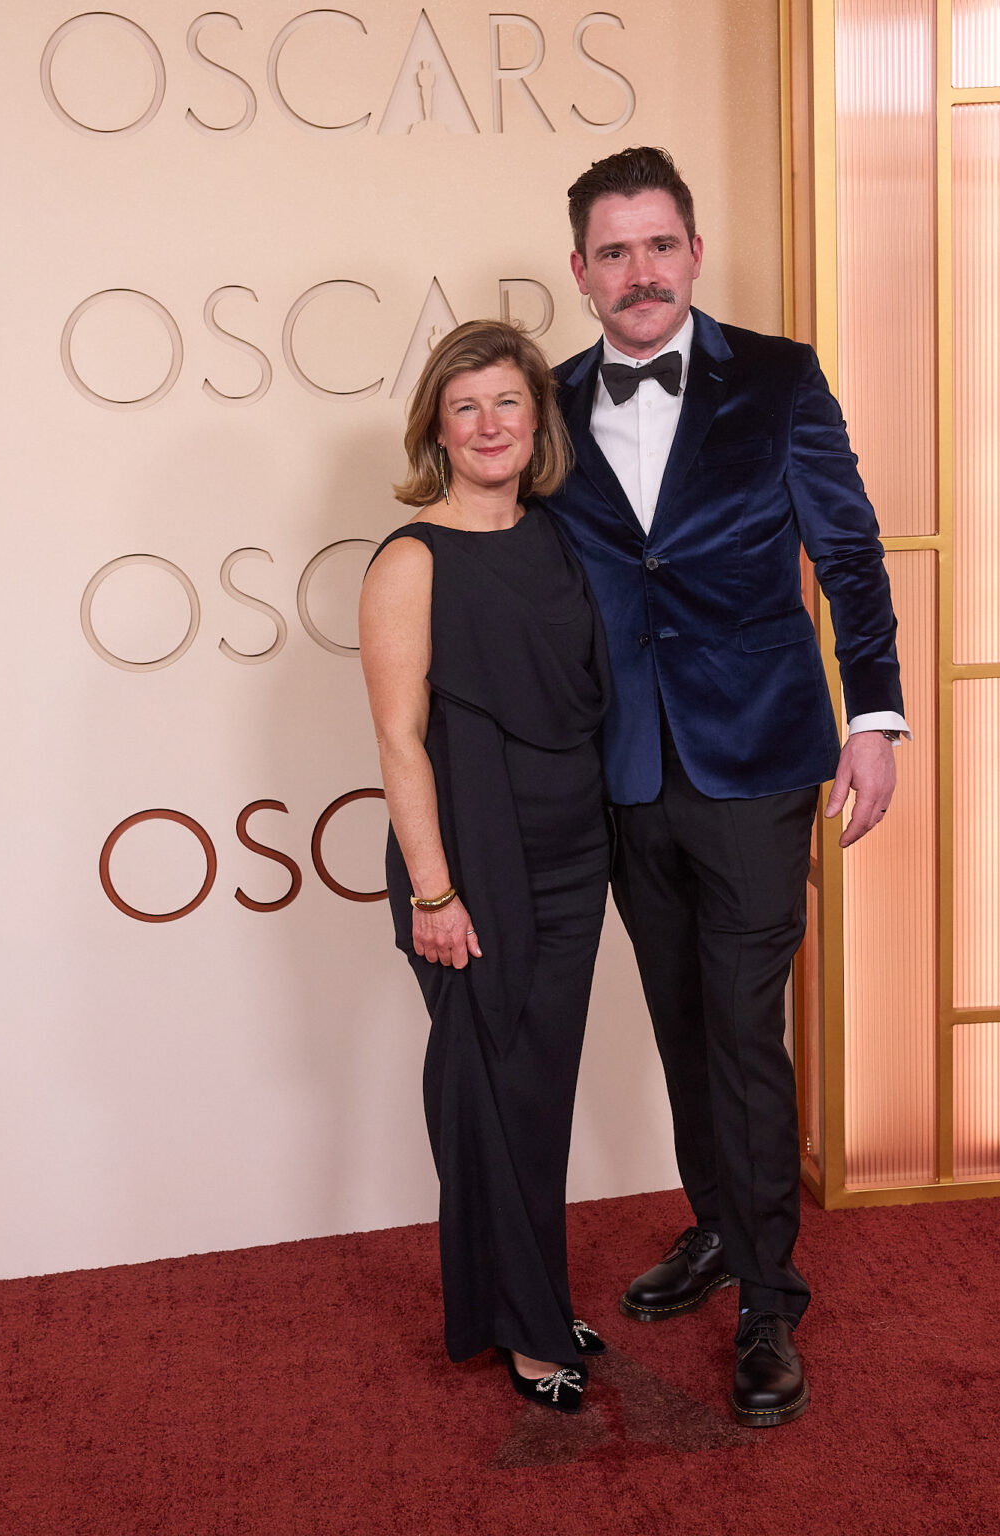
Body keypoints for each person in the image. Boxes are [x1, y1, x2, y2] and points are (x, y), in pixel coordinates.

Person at [542, 146, 908, 1427]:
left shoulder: (780, 378)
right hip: (624, 770)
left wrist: (871, 717)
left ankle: (765, 1294)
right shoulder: (544, 401)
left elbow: (848, 551)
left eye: (658, 245)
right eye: (612, 251)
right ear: (578, 271)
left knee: (745, 1026)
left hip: (756, 759)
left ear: (693, 253)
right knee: (681, 1017)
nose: (638, 272)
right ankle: (716, 1220)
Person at [359, 320, 611, 1415]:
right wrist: (433, 891)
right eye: (465, 408)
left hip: (571, 849)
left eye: (506, 402)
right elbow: (398, 740)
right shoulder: (410, 558)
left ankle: (536, 1293)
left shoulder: (562, 537)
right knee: (486, 1084)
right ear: (437, 429)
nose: (489, 424)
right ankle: (520, 1329)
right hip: (470, 854)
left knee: (537, 1088)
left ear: (534, 419)